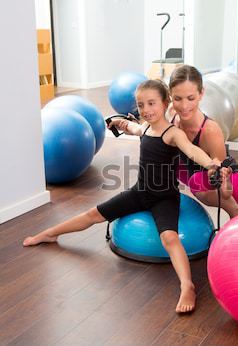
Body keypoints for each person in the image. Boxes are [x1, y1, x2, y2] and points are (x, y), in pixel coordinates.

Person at [23, 80, 222, 313]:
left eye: (151, 103)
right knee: (93, 214)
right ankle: (49, 234)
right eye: (141, 105)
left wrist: (210, 163)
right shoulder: (145, 128)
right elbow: (134, 128)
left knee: (169, 238)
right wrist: (120, 123)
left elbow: (191, 150)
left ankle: (187, 285)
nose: (146, 109)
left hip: (164, 197)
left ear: (165, 103)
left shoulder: (173, 134)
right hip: (140, 192)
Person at [168, 65, 238, 218]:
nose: (184, 106)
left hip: (229, 182)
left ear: (201, 94)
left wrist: (233, 209)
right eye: (178, 98)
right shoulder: (171, 113)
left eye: (191, 98)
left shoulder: (210, 130)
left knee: (196, 181)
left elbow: (221, 174)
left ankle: (237, 214)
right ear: (171, 96)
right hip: (191, 170)